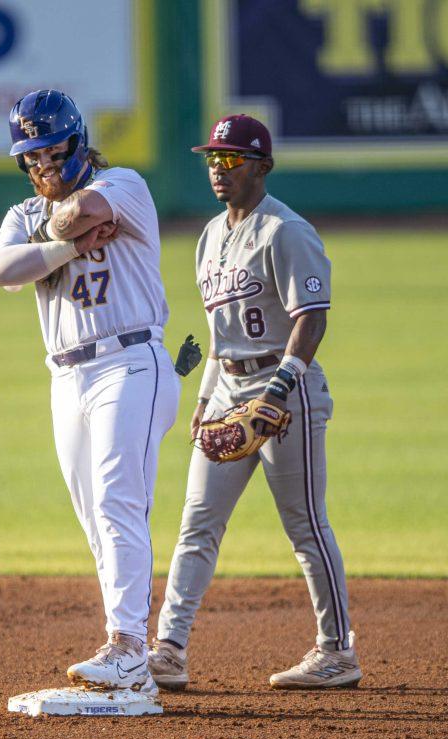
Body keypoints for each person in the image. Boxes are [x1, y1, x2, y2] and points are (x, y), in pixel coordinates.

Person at [148, 115, 361, 690]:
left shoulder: (286, 231)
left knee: (305, 524)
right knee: (197, 522)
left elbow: (310, 321)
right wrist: (204, 394)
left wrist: (279, 388)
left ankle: (337, 651)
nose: (219, 169)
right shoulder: (210, 235)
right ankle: (168, 649)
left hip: (286, 393)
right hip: (228, 388)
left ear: (262, 166)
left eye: (232, 159)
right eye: (213, 158)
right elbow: (219, 334)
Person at [0, 89, 180, 696]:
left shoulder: (125, 184)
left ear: (76, 142)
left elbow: (80, 209)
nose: (41, 166)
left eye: (50, 151)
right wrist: (68, 246)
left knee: (118, 499)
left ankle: (127, 647)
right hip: (68, 376)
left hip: (132, 361)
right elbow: (1, 271)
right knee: (94, 516)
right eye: (30, 157)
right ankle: (132, 650)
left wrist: (57, 232)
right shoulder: (22, 213)